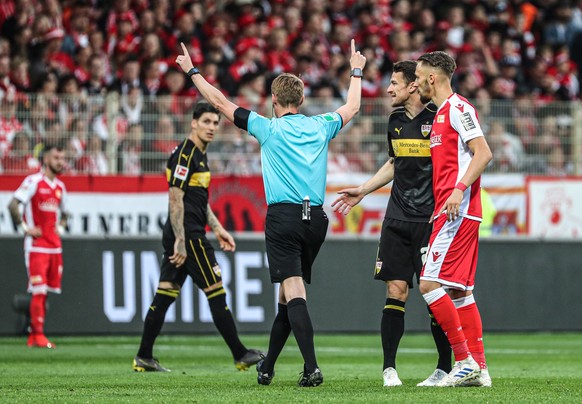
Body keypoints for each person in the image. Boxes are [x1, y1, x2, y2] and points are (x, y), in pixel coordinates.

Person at [175, 39, 366, 387]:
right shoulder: (322, 125)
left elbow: (219, 101)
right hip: (317, 219)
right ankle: (268, 366)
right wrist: (356, 69)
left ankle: (311, 368)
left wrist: (192, 71)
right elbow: (353, 106)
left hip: (284, 218)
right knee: (286, 296)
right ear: (303, 100)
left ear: (274, 101)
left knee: (293, 290)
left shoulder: (268, 128)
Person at [331, 60, 453, 387]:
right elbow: (394, 162)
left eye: (395, 83)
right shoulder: (395, 120)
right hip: (397, 219)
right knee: (395, 290)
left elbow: (452, 168)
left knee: (433, 294)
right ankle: (389, 369)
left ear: (414, 86)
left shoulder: (440, 119)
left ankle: (444, 367)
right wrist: (363, 190)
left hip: (429, 221)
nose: (388, 89)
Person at [133, 102, 263, 372]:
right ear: (194, 123)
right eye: (206, 122)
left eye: (215, 123)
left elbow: (198, 200)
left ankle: (144, 356)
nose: (212, 127)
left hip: (186, 232)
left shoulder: (199, 155)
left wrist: (216, 227)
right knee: (216, 292)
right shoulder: (185, 155)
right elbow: (175, 198)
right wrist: (181, 239)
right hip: (189, 236)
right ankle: (240, 353)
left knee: (164, 295)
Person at [415, 50, 493, 387]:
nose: (416, 82)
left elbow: (484, 152)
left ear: (432, 77)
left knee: (429, 283)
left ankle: (463, 360)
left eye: (418, 76)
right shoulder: (440, 114)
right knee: (461, 292)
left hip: (456, 210)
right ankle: (481, 369)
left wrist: (459, 189)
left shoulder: (459, 109)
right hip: (452, 210)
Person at [7, 144, 69, 349]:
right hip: (37, 246)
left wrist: (60, 227)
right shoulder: (33, 181)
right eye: (56, 157)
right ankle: (39, 334)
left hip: (54, 247)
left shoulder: (60, 187)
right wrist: (25, 228)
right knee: (39, 290)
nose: (60, 161)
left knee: (46, 291)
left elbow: (66, 213)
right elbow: (13, 204)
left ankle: (34, 335)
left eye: (62, 158)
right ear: (46, 159)